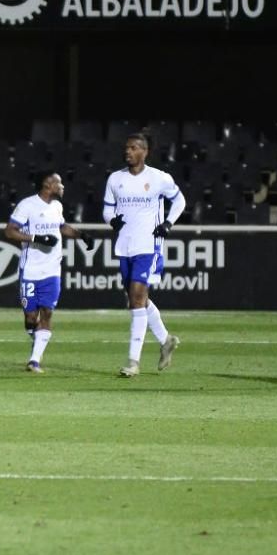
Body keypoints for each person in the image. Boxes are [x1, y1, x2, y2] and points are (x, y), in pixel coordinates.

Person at [102, 132, 186, 378]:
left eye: (133, 147)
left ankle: (133, 361)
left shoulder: (159, 178)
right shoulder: (115, 179)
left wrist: (168, 223)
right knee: (136, 299)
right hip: (124, 246)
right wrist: (112, 221)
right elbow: (107, 210)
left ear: (144, 151)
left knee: (137, 297)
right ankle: (166, 340)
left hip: (149, 245)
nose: (128, 151)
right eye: (126, 147)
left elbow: (179, 201)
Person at [4, 172, 94, 373]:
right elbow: (10, 231)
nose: (63, 187)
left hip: (52, 268)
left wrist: (81, 235)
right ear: (48, 185)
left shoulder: (57, 206)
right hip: (30, 269)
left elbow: (61, 227)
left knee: (47, 312)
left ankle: (34, 360)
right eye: (59, 183)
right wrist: (37, 238)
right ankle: (35, 337)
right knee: (30, 317)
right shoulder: (27, 205)